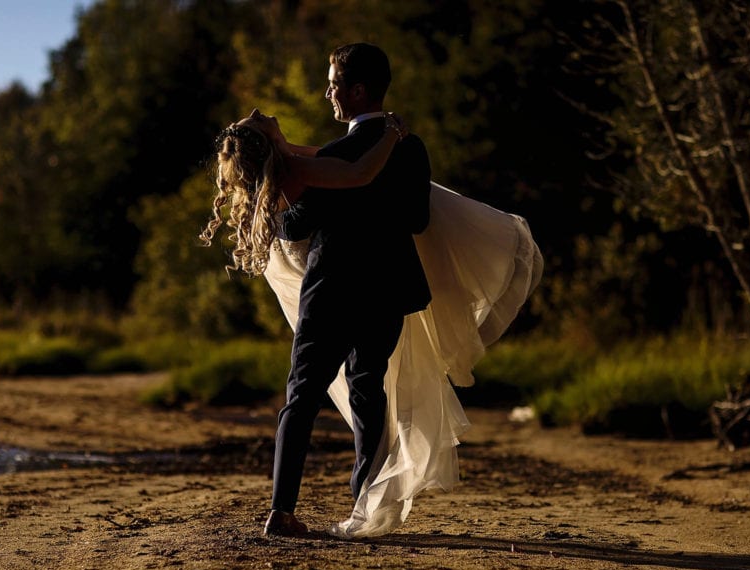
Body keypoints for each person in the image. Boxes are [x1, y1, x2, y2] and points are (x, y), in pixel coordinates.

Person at [204, 43, 544, 539]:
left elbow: (298, 227)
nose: (328, 92)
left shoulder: (335, 155)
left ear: (356, 89)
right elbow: (418, 218)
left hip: (333, 287)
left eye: (334, 83)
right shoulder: (408, 146)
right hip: (388, 287)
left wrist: (275, 205)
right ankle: (366, 504)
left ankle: (282, 509)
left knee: (302, 394)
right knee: (368, 390)